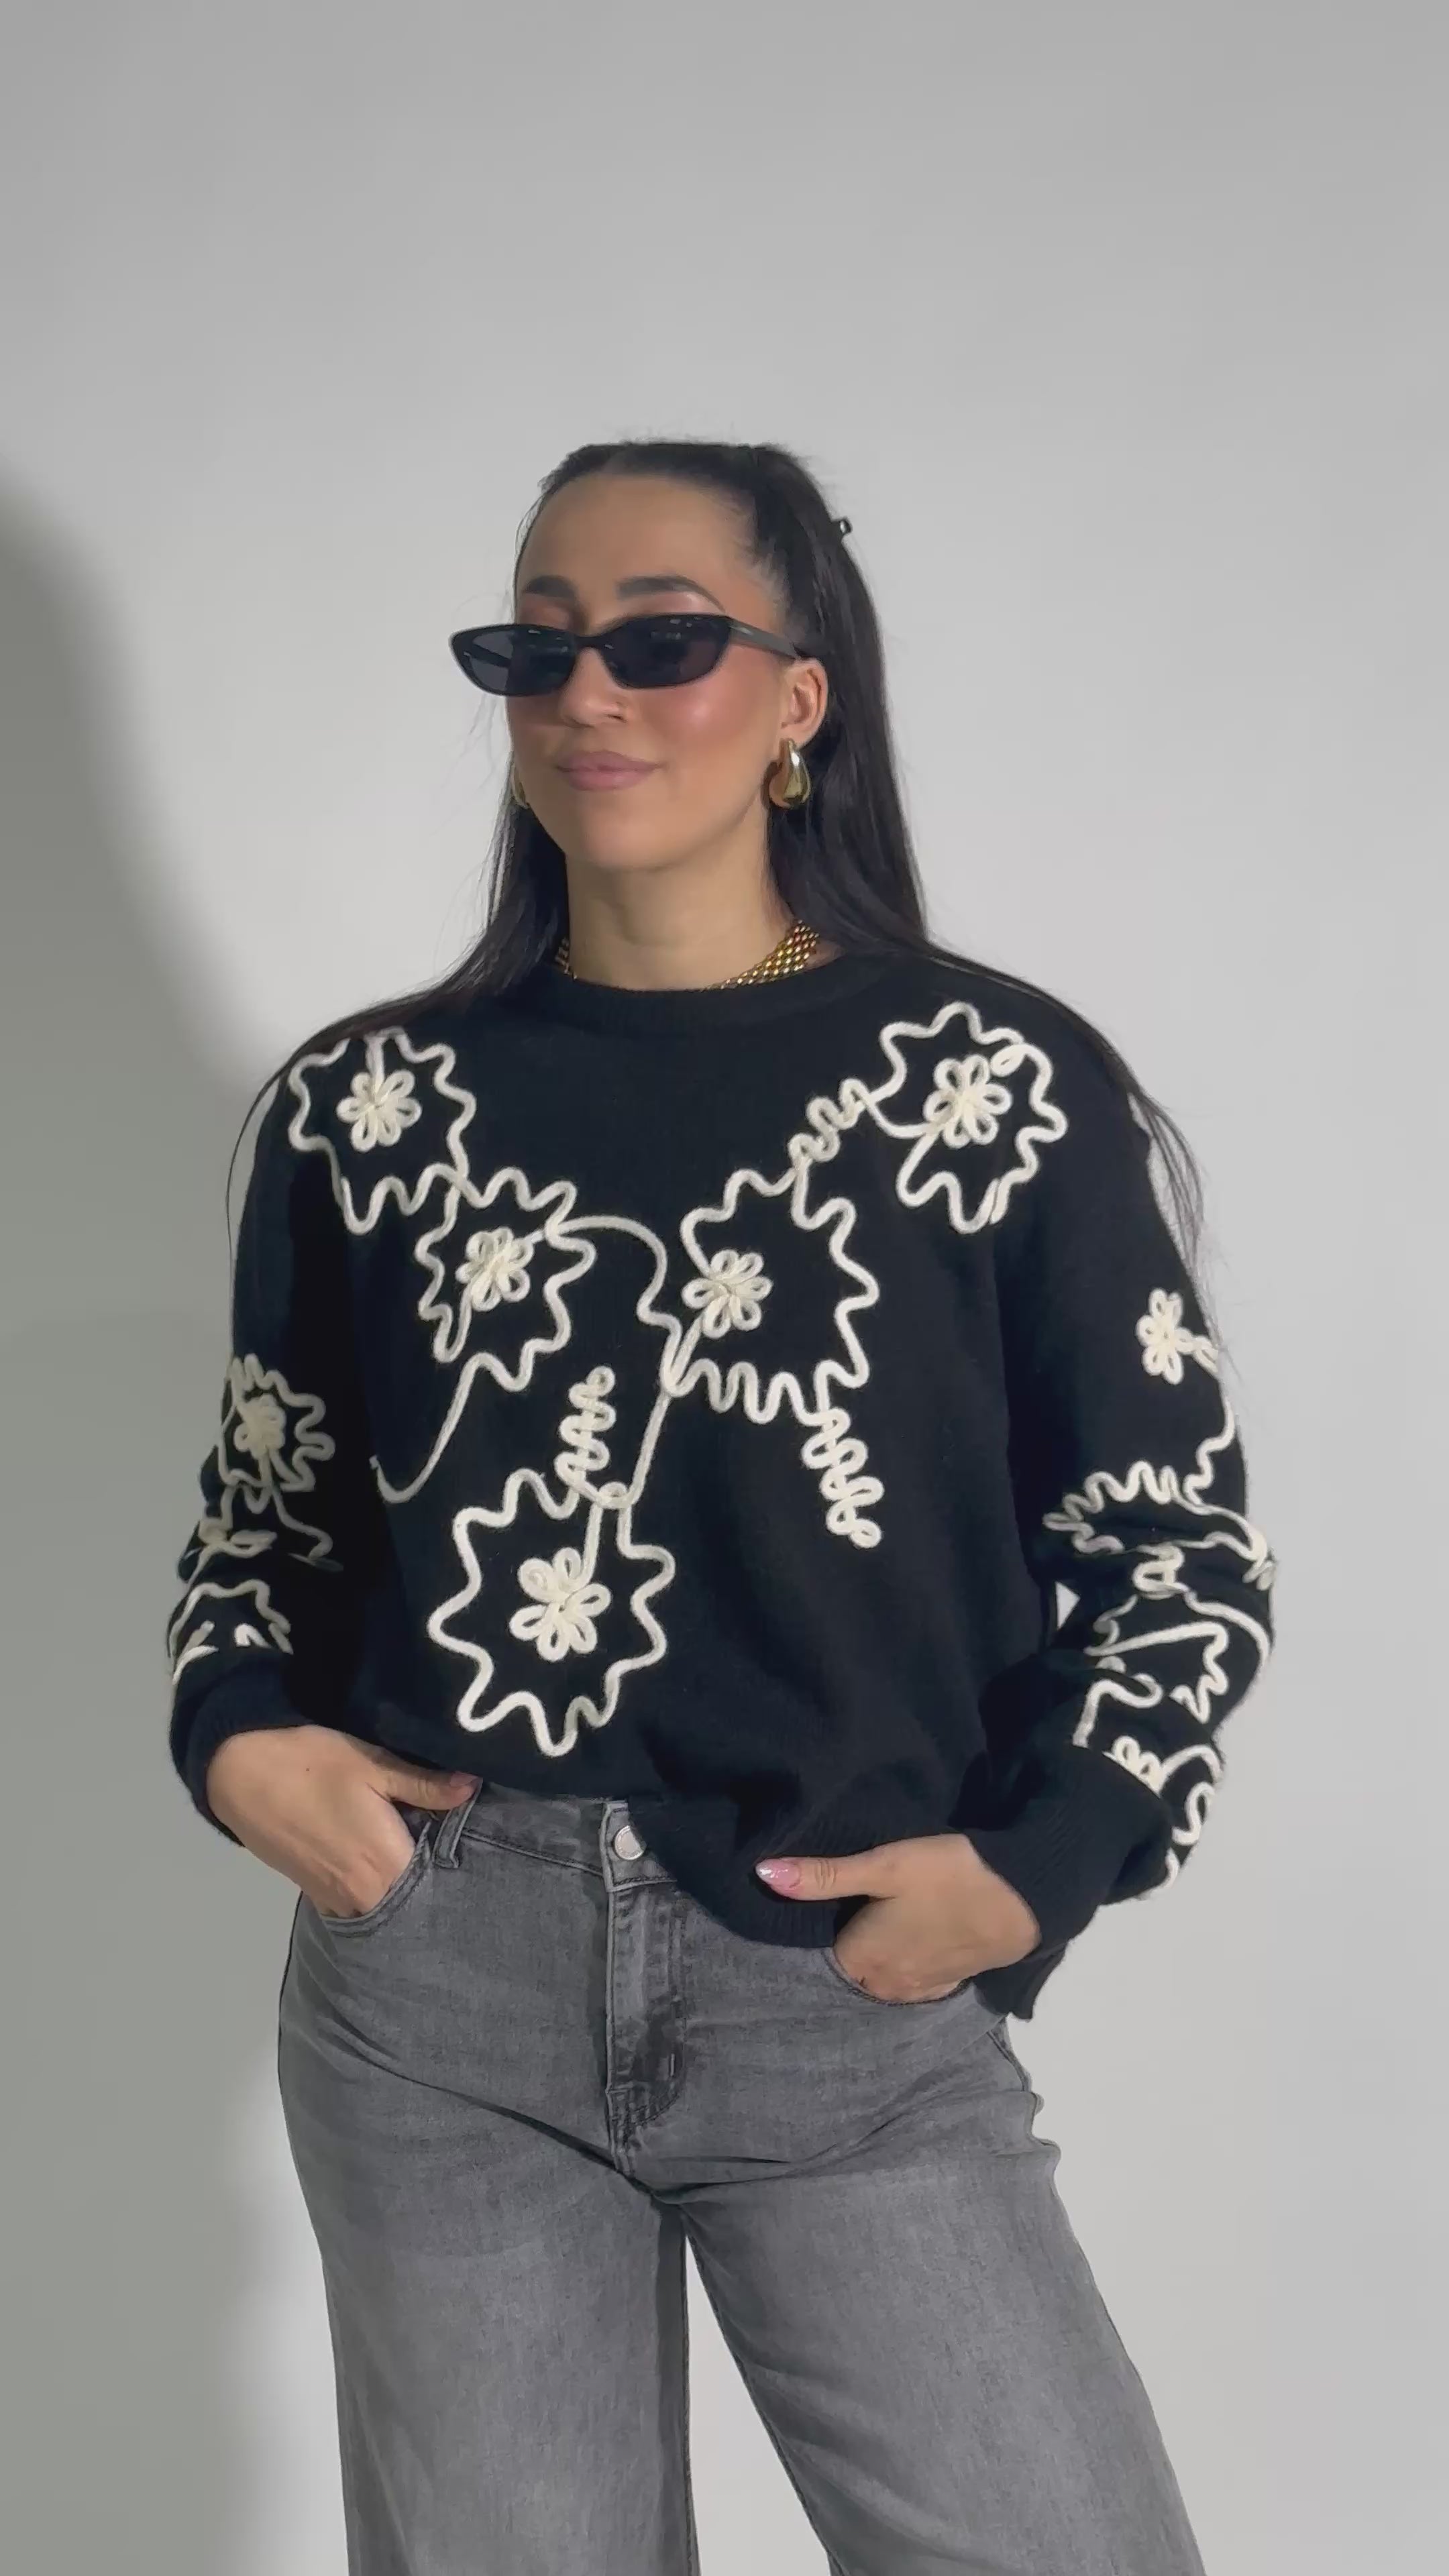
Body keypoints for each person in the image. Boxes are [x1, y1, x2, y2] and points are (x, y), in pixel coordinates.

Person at [165, 437, 1276, 2575]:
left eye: (661, 643)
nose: (588, 694)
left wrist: (1035, 1868)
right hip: (436, 1991)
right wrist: (237, 1744)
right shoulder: (371, 1108)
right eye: (536, 648)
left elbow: (1180, 1559)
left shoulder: (991, 1086)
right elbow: (261, 1528)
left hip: (844, 1986)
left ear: (798, 696)